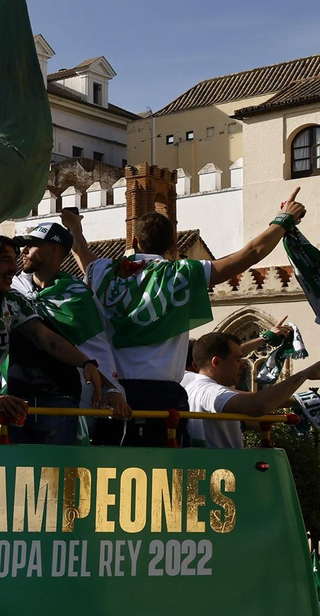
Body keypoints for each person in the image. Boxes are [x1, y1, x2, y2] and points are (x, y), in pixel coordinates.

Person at [62, 190, 307, 444]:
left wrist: (74, 226)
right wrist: (283, 220)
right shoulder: (185, 273)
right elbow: (251, 252)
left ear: (134, 242)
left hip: (113, 392)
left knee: (109, 467)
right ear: (171, 246)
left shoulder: (103, 271)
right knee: (166, 471)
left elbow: (80, 250)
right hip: (162, 396)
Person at [0, 234, 117, 443]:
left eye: (14, 260)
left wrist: (85, 362)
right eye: (5, 260)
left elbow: (43, 336)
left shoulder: (13, 300)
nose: (14, 267)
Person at [9, 221, 127, 444]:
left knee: (57, 473)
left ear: (54, 249)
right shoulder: (12, 289)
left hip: (60, 398)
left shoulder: (78, 295)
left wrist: (112, 388)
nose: (23, 251)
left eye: (32, 245)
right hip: (16, 395)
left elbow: (95, 346)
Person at [183, 331, 320, 448]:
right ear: (216, 362)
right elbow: (257, 404)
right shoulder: (209, 391)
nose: (243, 366)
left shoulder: (191, 387)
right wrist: (305, 374)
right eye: (237, 360)